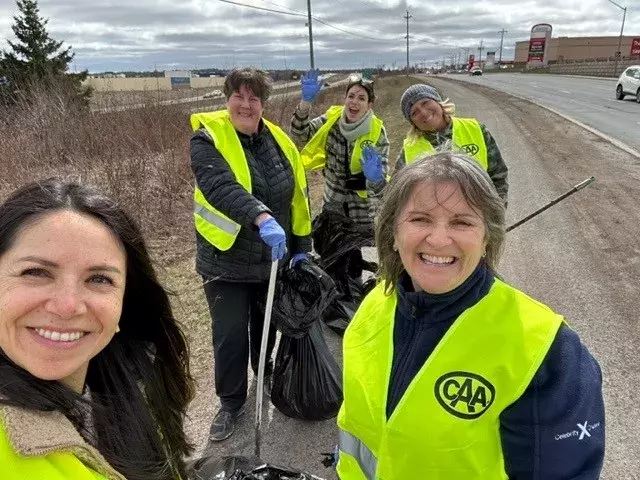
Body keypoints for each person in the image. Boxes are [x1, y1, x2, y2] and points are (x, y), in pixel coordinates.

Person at [336, 152, 604, 479]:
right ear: (393, 233)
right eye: (420, 219)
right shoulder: (374, 305)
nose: (437, 239)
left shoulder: (542, 349)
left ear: (486, 237)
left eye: (461, 222)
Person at [0, 179, 194, 480]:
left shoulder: (127, 389)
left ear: (123, 304)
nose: (67, 306)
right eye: (36, 272)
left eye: (99, 279)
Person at [190, 67, 312, 442]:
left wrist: (302, 249)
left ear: (263, 103)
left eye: (254, 98)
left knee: (265, 326)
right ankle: (230, 404)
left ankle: (265, 370)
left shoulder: (280, 141)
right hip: (224, 260)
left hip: (270, 260)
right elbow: (219, 186)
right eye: (238, 97)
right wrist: (260, 217)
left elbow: (298, 196)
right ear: (227, 99)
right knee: (229, 336)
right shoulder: (207, 137)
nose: (246, 104)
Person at [290, 70, 390, 228]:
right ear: (345, 99)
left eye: (361, 98)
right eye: (351, 96)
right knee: (333, 251)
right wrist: (305, 102)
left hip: (364, 214)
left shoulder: (377, 131)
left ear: (369, 105)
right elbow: (299, 134)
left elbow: (382, 187)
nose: (354, 102)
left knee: (364, 252)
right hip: (333, 208)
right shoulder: (331, 120)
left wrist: (376, 178)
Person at [396, 83, 509, 204]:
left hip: (477, 216)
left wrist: (496, 214)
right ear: (412, 122)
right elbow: (397, 195)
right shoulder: (408, 150)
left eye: (425, 102)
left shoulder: (475, 129)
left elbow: (498, 176)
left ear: (438, 101)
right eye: (414, 112)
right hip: (437, 221)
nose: (423, 112)